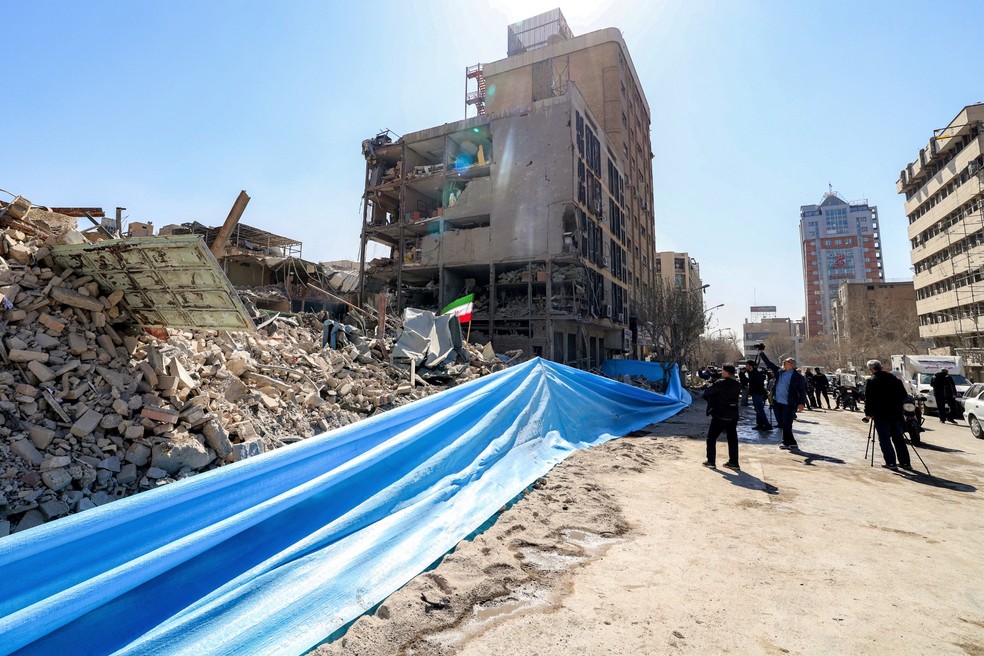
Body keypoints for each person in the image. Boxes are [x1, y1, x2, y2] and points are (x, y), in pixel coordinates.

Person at [863, 359, 914, 472]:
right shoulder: (895, 379)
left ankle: (891, 463)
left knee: (885, 439)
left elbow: (868, 400)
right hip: (896, 414)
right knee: (899, 438)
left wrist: (868, 414)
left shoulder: (871, 381)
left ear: (871, 369)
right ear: (881, 367)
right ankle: (905, 463)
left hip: (881, 415)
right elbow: (904, 396)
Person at [758, 347, 806, 450]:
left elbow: (802, 391)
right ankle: (790, 442)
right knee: (783, 423)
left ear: (792, 365)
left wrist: (801, 403)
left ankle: (787, 442)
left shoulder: (798, 377)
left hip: (789, 403)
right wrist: (761, 353)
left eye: (787, 362)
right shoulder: (780, 372)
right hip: (777, 401)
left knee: (787, 423)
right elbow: (769, 364)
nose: (784, 363)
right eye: (784, 362)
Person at [702, 364, 742, 470]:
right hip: (733, 414)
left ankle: (711, 461)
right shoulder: (737, 384)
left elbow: (706, 393)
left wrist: (710, 384)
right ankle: (734, 462)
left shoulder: (720, 383)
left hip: (720, 414)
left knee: (711, 438)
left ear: (725, 372)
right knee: (732, 439)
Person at [744, 360, 772, 430]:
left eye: (747, 365)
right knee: (758, 410)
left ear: (751, 366)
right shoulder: (752, 373)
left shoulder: (756, 374)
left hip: (758, 394)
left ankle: (767, 425)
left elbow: (759, 385)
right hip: (756, 393)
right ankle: (760, 424)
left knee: (760, 410)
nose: (746, 366)